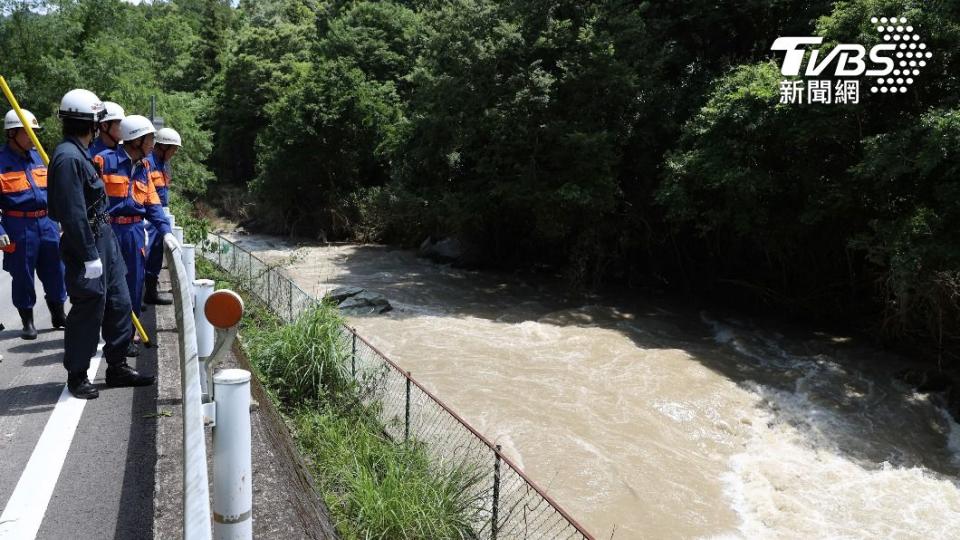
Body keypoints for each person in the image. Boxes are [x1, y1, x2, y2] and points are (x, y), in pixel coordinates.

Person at [47, 89, 154, 399]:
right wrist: (89, 255)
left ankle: (117, 365)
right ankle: (77, 374)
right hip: (88, 242)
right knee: (89, 306)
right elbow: (73, 213)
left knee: (119, 301)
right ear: (93, 124)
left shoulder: (80, 153)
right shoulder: (68, 158)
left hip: (104, 238)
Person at [93, 114, 171, 357]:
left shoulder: (144, 167)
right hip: (108, 230)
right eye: (149, 140)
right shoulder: (103, 161)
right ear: (135, 140)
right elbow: (90, 201)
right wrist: (101, 227)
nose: (151, 145)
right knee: (108, 289)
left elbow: (152, 202)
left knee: (134, 285)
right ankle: (113, 337)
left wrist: (166, 231)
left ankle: (127, 336)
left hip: (134, 232)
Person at [0, 109, 68, 339]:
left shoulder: (39, 156)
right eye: (28, 132)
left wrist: (62, 218)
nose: (33, 137)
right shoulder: (1, 163)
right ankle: (27, 322)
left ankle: (58, 314)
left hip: (47, 221)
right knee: (23, 275)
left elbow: (55, 191)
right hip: (18, 225)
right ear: (12, 133)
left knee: (57, 270)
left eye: (35, 132)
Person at [143, 127, 180, 306]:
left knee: (155, 256)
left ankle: (150, 292)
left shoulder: (161, 163)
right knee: (146, 254)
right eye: (173, 149)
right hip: (148, 218)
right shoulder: (148, 163)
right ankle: (142, 294)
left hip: (159, 216)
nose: (174, 153)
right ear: (163, 147)